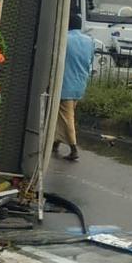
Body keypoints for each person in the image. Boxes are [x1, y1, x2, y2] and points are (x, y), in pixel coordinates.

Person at [55, 14, 94, 161]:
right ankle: (55, 143)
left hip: (64, 84)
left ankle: (73, 149)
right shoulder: (89, 41)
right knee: (64, 116)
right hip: (80, 84)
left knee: (67, 117)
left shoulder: (64, 39)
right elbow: (90, 59)